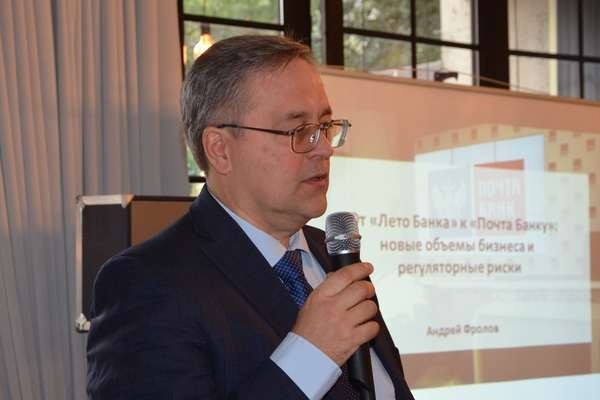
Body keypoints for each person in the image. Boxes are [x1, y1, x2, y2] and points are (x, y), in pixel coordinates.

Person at [86, 35, 414, 400]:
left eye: (325, 126)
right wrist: (311, 356)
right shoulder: (145, 284)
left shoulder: (333, 253)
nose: (324, 148)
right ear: (220, 150)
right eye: (299, 130)